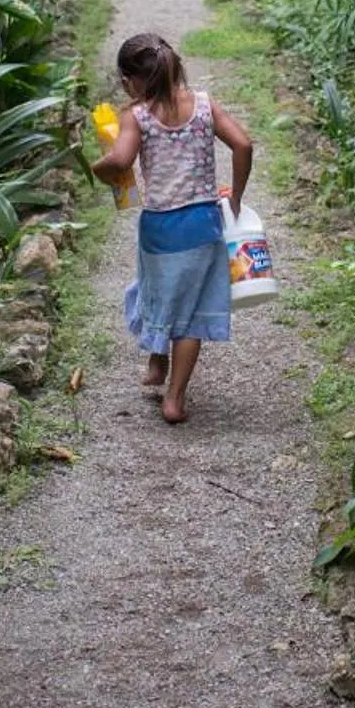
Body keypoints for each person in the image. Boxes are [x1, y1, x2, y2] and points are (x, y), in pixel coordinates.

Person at [89, 32, 254, 424]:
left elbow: (121, 161)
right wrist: (235, 198)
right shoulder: (203, 105)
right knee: (192, 312)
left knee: (158, 290)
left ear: (131, 81)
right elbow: (244, 145)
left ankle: (157, 361)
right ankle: (174, 399)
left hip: (159, 227)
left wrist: (96, 167)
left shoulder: (137, 116)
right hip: (202, 224)